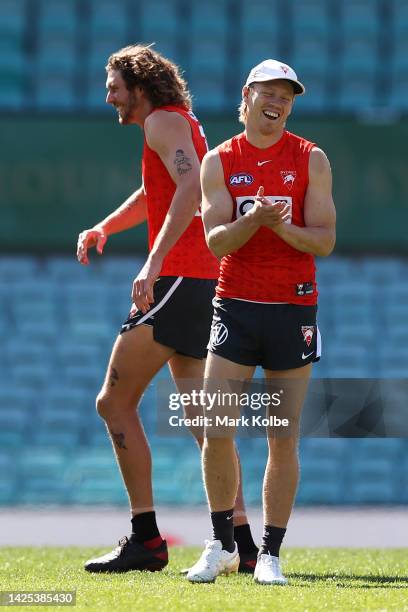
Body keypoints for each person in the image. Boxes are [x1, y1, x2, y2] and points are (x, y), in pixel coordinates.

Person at [76, 44, 258, 574]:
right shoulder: (175, 123)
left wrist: (151, 266)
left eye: (114, 85)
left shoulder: (161, 122)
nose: (108, 95)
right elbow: (158, 191)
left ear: (139, 85)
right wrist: (106, 227)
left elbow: (187, 188)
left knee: (113, 401)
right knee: (207, 422)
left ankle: (147, 539)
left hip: (181, 278)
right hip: (200, 278)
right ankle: (243, 544)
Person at [186, 59, 336, 584]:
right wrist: (253, 219)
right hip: (236, 304)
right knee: (215, 425)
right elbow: (215, 240)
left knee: (282, 435)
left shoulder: (310, 158)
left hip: (294, 307)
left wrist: (283, 224)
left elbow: (324, 239)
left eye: (288, 96)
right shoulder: (220, 160)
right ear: (247, 95)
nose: (278, 102)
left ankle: (269, 554)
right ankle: (223, 544)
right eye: (269, 92)